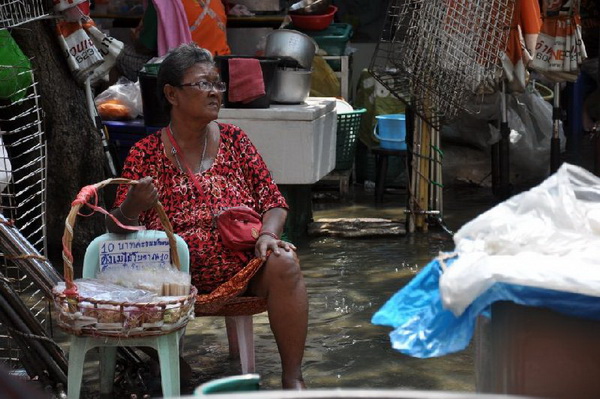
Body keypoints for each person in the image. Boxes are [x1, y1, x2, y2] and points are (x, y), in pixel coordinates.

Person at [106, 42, 308, 390]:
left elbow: (273, 201)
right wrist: (134, 205)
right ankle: (166, 360)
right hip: (170, 280)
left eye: (218, 83)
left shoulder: (235, 140)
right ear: (172, 94)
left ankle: (293, 379)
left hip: (243, 268)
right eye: (203, 84)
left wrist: (268, 236)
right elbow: (115, 226)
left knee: (285, 262)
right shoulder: (146, 153)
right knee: (122, 288)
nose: (215, 92)